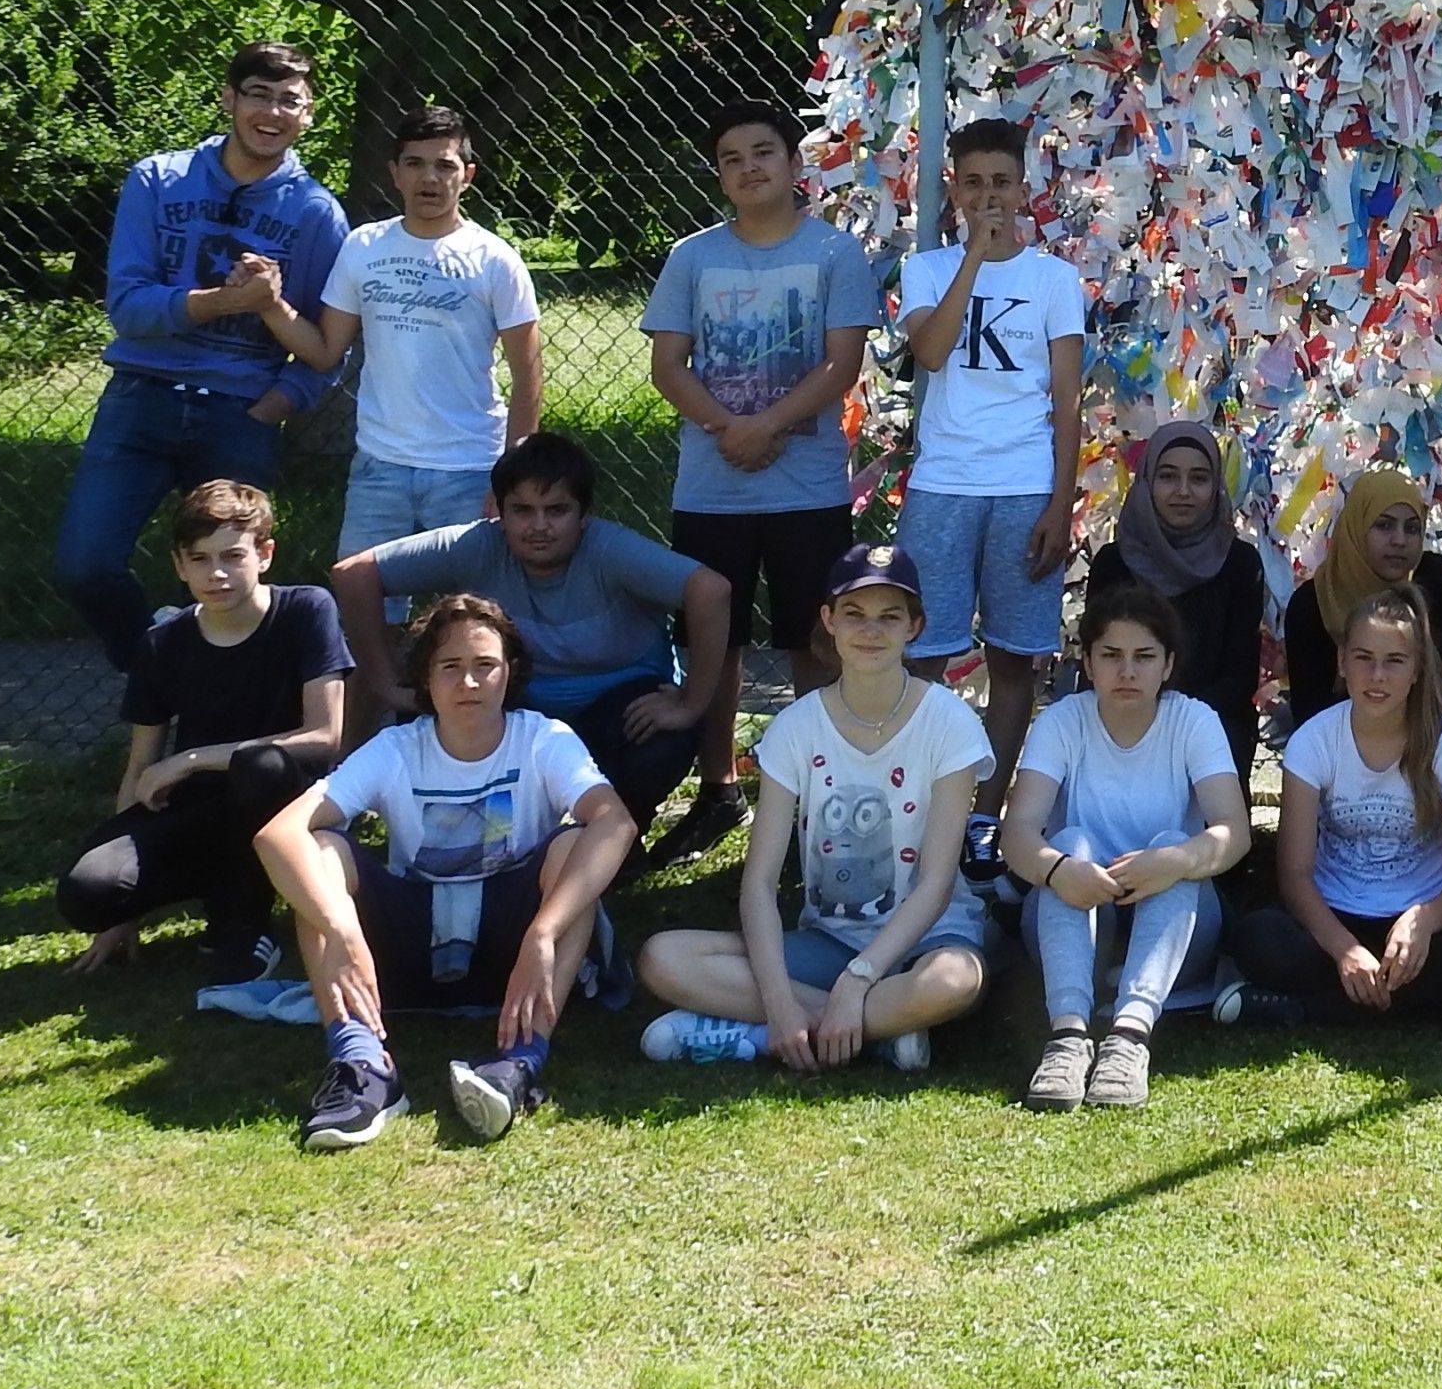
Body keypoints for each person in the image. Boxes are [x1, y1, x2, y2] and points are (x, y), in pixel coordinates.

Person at [256, 596, 637, 1149]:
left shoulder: (542, 739)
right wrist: (340, 928)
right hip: (407, 949)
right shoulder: (395, 747)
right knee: (320, 852)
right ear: (425, 680)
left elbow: (616, 823)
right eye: (450, 667)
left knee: (575, 845)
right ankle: (362, 1068)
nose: (470, 683)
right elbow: (278, 834)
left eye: (485, 665)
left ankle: (519, 1065)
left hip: (513, 956)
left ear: (510, 673)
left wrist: (544, 932)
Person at [633, 546, 994, 1073]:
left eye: (889, 617)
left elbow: (937, 883)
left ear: (914, 627)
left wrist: (862, 976)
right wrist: (779, 1000)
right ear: (828, 620)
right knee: (662, 958)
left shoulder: (950, 723)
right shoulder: (796, 727)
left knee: (955, 981)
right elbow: (759, 883)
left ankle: (755, 1035)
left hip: (928, 939)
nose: (871, 631)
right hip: (831, 938)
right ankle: (866, 1032)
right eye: (854, 614)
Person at [53, 40, 349, 670]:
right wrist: (219, 302)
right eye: (258, 96)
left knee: (236, 584)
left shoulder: (317, 214)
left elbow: (333, 348)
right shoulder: (158, 180)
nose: (272, 113)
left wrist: (279, 403)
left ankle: (224, 714)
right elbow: (127, 306)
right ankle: (159, 673)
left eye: (289, 101)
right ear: (229, 99)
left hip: (238, 413)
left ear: (309, 113)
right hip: (142, 398)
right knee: (85, 563)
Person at [641, 99, 880, 865]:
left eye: (763, 152)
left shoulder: (836, 254)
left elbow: (840, 364)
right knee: (718, 640)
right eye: (732, 158)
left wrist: (768, 425)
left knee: (815, 638)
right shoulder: (693, 256)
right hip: (712, 488)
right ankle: (718, 791)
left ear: (794, 164)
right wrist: (728, 427)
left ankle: (818, 793)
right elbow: (667, 365)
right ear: (719, 175)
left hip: (806, 487)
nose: (749, 168)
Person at [331, 432, 734, 843]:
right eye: (522, 510)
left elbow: (711, 591)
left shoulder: (611, 550)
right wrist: (384, 682)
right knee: (431, 707)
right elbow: (354, 574)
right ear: (499, 513)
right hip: (514, 704)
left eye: (556, 510)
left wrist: (690, 703)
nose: (539, 526)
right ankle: (483, 837)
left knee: (663, 740)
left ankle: (612, 838)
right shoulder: (477, 545)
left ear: (583, 515)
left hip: (615, 707)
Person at [56, 481, 349, 989]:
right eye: (200, 559)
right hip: (201, 811)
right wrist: (122, 908)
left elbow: (325, 736)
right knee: (88, 890)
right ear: (178, 565)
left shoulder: (307, 610)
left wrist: (191, 758)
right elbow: (140, 767)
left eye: (233, 556)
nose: (217, 574)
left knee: (260, 765)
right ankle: (215, 885)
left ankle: (244, 924)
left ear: (264, 554)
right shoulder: (161, 643)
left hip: (286, 801)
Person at [257, 106, 542, 623]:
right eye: (414, 163)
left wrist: (512, 479)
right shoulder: (363, 247)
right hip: (379, 468)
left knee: (474, 620)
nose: (429, 178)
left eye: (445, 165)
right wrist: (271, 306)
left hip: (470, 468)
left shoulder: (495, 259)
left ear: (468, 175)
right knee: (362, 615)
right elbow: (323, 350)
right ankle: (372, 706)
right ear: (394, 172)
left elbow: (528, 377)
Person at [897, 117, 1089, 846]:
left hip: (1022, 484)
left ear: (1024, 186)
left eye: (1001, 183)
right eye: (973, 183)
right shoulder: (929, 269)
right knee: (925, 652)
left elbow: (1066, 398)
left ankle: (985, 810)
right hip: (944, 484)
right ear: (953, 190)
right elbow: (934, 352)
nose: (988, 197)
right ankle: (918, 802)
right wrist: (974, 259)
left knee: (1015, 654)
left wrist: (1060, 502)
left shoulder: (1054, 280)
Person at [1223, 587, 1442, 1027]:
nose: (1377, 675)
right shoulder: (1314, 740)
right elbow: (1295, 875)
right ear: (1342, 661)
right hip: (1335, 917)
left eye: (1394, 661)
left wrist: (1423, 921)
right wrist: (1344, 950)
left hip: (1421, 925)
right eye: (1363, 658)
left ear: (1417, 669)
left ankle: (1304, 1009)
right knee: (1256, 937)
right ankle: (1440, 1003)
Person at [1001, 589, 1252, 1108]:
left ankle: (1129, 1039)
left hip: (1175, 929)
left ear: (1169, 665)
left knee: (1174, 846)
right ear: (1088, 663)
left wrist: (1175, 862)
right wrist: (1057, 870)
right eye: (1111, 656)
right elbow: (1018, 833)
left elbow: (1234, 830)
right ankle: (1067, 1038)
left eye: (1144, 657)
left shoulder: (1193, 720)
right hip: (1076, 920)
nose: (1127, 672)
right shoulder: (1063, 721)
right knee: (1068, 841)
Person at [1084, 421, 1269, 780]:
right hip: (1122, 714)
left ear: (1216, 486)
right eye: (1168, 477)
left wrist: (1173, 726)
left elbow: (1238, 678)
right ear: (1147, 482)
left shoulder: (1240, 563)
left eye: (1199, 479)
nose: (1183, 491)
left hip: (1210, 723)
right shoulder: (1115, 562)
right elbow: (1097, 663)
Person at [1279, 468, 1442, 736]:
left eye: (1412, 528)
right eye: (1384, 525)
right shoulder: (1312, 603)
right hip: (1341, 741)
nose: (1399, 540)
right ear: (1356, 527)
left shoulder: (1434, 579)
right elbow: (1310, 712)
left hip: (1423, 732)